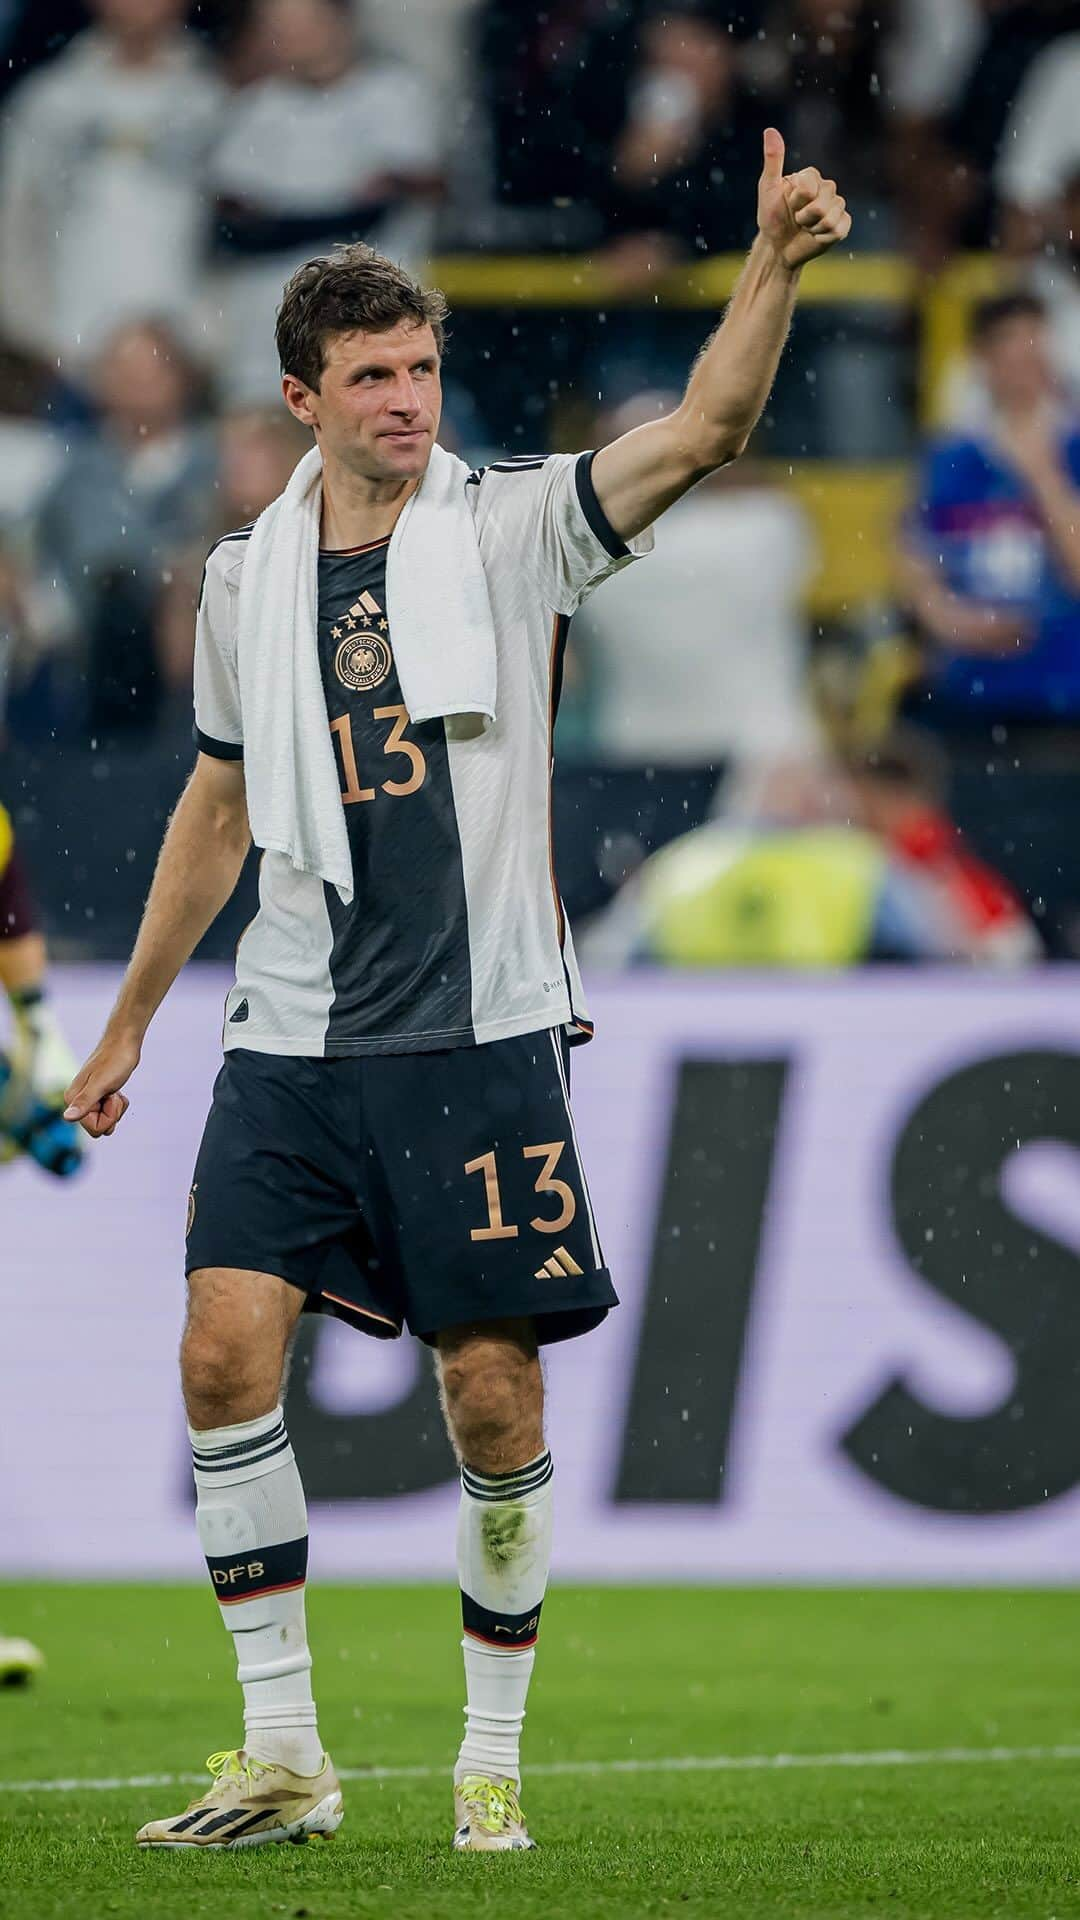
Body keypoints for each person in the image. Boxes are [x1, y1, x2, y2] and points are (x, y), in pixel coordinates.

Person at [64, 130, 850, 1852]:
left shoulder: (508, 532)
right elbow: (218, 803)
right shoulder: (255, 580)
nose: (410, 399)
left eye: (423, 368)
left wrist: (774, 264)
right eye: (375, 376)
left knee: (491, 1394)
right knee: (218, 1356)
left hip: (479, 1033)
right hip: (291, 1029)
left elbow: (707, 430)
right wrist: (131, 1015)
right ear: (303, 397)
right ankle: (284, 1754)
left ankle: (489, 1749)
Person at [210, 0, 442, 403]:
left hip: (375, 321)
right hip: (268, 321)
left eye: (307, 22)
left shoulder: (396, 95)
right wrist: (338, 211)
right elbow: (235, 220)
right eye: (280, 25)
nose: (297, 36)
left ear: (342, 20)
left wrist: (287, 216)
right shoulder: (254, 108)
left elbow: (406, 190)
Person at [0, 0, 224, 378]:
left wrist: (212, 338)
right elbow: (18, 221)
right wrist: (30, 333)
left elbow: (234, 229)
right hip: (67, 347)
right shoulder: (50, 101)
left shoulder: (213, 99)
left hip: (187, 346)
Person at [899, 292, 1080, 726]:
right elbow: (914, 558)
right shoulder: (950, 458)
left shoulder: (1072, 451)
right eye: (1009, 345)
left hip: (1063, 694)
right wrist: (950, 619)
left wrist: (1043, 475)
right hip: (969, 694)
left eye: (1033, 344)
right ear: (982, 358)